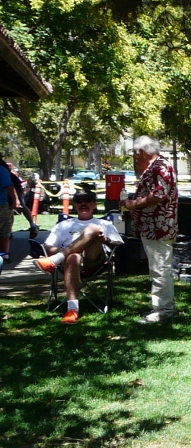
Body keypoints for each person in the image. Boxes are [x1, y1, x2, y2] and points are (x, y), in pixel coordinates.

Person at [35, 190, 124, 324]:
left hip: (94, 261)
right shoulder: (62, 225)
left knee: (93, 229)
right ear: (74, 205)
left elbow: (119, 246)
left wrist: (105, 240)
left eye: (87, 200)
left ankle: (56, 259)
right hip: (70, 264)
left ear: (94, 204)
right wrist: (69, 252)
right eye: (79, 201)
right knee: (73, 257)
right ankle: (72, 310)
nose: (83, 204)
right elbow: (48, 246)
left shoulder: (105, 224)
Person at [121, 136, 179, 324]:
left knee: (160, 269)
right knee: (158, 268)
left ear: (143, 152)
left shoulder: (159, 167)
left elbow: (158, 195)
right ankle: (161, 307)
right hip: (152, 227)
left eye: (137, 155)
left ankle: (164, 311)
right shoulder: (156, 167)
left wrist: (133, 203)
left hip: (159, 228)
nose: (136, 158)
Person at [0, 155, 35, 263]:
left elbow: (10, 186)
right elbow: (9, 186)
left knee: (5, 231)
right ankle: (4, 255)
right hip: (3, 205)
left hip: (3, 204)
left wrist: (16, 200)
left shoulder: (2, 170)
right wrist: (16, 200)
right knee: (4, 231)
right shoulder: (2, 169)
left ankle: (4, 255)